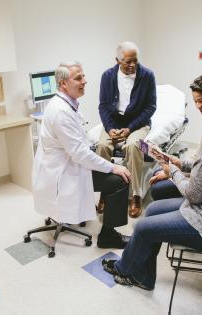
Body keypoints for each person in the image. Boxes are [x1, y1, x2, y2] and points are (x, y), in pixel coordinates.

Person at [101, 83, 202, 290]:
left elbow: (193, 195)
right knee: (152, 209)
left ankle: (125, 269)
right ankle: (144, 276)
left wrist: (172, 172)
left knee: (143, 228)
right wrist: (178, 162)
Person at [33, 61, 132, 249]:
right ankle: (108, 237)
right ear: (63, 83)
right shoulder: (61, 111)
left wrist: (94, 149)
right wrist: (113, 167)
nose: (85, 81)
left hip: (62, 164)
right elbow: (79, 154)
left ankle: (103, 214)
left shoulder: (66, 104)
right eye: (79, 78)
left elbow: (78, 141)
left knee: (109, 166)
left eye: (83, 76)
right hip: (64, 172)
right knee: (121, 179)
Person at [96, 41, 156, 218]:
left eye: (135, 61)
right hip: (113, 123)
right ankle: (104, 192)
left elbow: (150, 107)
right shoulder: (107, 76)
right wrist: (109, 128)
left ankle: (136, 194)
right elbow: (103, 106)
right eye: (127, 62)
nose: (132, 65)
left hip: (137, 123)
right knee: (101, 146)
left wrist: (129, 129)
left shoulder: (147, 75)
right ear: (117, 60)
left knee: (132, 146)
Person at [149, 74, 202, 201]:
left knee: (157, 189)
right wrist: (177, 163)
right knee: (157, 171)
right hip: (196, 176)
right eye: (195, 101)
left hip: (200, 189)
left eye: (201, 100)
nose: (198, 106)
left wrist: (174, 173)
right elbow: (199, 158)